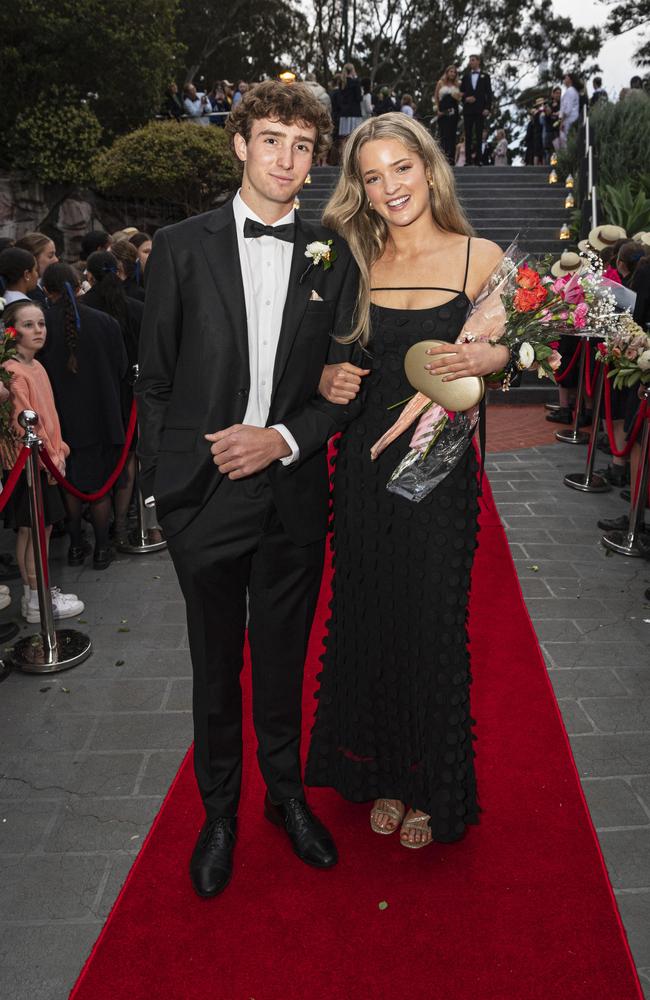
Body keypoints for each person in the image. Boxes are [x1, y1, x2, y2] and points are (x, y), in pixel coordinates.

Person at [135, 80, 361, 898]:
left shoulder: (333, 254)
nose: (287, 161)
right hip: (207, 503)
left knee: (280, 662)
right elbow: (156, 382)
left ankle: (287, 798)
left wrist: (285, 438)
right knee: (213, 668)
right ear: (239, 144)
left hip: (294, 496)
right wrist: (170, 497)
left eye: (303, 147)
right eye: (272, 140)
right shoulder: (181, 245)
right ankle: (219, 813)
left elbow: (345, 383)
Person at [305, 112, 506, 848]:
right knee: (371, 619)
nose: (390, 186)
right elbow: (320, 354)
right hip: (361, 471)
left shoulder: (478, 259)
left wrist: (495, 358)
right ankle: (382, 772)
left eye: (402, 168)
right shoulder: (354, 257)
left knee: (432, 625)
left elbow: (516, 344)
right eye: (372, 174)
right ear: (359, 188)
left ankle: (429, 783)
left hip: (440, 476)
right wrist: (325, 375)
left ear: (429, 167)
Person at [39, 264, 128, 570]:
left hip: (60, 419)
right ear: (79, 286)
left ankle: (76, 546)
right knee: (99, 486)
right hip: (101, 415)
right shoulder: (105, 322)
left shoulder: (41, 324)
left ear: (48, 290)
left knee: (69, 486)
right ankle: (103, 549)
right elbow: (122, 368)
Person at [1, 300, 84, 623]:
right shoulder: (13, 371)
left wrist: (59, 448)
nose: (38, 330)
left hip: (46, 460)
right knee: (35, 531)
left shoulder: (36, 365)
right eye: (28, 325)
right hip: (31, 464)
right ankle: (36, 598)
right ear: (12, 331)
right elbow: (25, 422)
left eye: (41, 324)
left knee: (37, 529)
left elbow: (49, 415)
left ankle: (35, 594)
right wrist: (52, 456)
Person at [460, 54, 492, 165]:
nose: (471, 62)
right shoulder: (465, 77)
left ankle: (479, 160)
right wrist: (465, 99)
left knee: (479, 135)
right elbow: (461, 94)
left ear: (478, 61)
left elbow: (489, 93)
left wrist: (487, 108)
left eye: (473, 60)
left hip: (480, 110)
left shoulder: (485, 76)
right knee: (468, 135)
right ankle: (468, 161)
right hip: (468, 110)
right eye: (470, 61)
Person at [15, 232, 58, 309]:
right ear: (33, 258)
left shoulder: (41, 287)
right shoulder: (30, 295)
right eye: (50, 256)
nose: (56, 260)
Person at [435, 65, 461, 166]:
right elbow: (436, 97)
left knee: (452, 135)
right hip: (442, 111)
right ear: (447, 72)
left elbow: (459, 99)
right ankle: (442, 159)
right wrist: (438, 110)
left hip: (453, 111)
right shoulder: (440, 83)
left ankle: (451, 159)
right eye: (451, 71)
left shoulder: (457, 84)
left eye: (454, 72)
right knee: (443, 135)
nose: (453, 74)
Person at [337, 63, 364, 149]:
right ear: (352, 70)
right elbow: (359, 98)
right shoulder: (356, 82)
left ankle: (343, 157)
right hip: (354, 113)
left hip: (344, 113)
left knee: (344, 138)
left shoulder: (342, 83)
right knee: (355, 136)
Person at [559, 73, 580, 149]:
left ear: (570, 80)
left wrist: (562, 121)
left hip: (568, 120)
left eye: (566, 78)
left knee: (566, 142)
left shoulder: (570, 91)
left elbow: (567, 109)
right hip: (571, 119)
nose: (564, 79)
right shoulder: (572, 91)